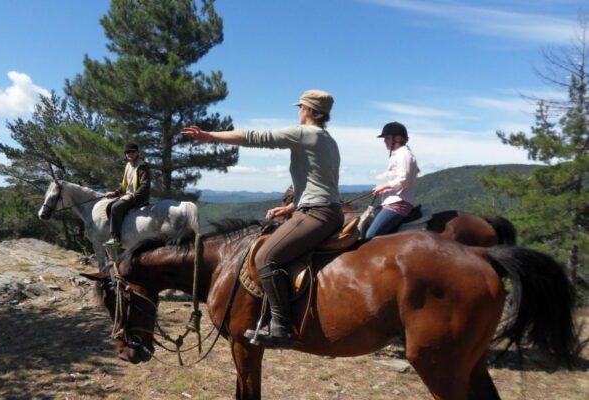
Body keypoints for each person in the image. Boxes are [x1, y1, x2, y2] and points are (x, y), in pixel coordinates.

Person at [182, 90, 343, 348]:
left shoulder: (305, 133)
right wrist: (291, 206)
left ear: (310, 111)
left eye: (301, 107)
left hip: (316, 212)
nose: (299, 112)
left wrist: (210, 136)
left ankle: (280, 326)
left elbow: (256, 138)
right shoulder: (328, 139)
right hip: (323, 209)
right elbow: (321, 182)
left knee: (265, 258)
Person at [365, 122, 419, 239]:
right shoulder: (399, 154)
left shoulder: (404, 154)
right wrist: (383, 188)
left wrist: (383, 186)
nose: (385, 141)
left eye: (388, 137)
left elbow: (403, 180)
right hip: (392, 202)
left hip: (398, 204)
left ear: (399, 138)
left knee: (371, 235)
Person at [104, 143, 151, 246]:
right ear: (125, 154)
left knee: (116, 207)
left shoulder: (142, 167)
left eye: (132, 151)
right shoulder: (128, 166)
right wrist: (115, 192)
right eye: (127, 152)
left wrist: (132, 196)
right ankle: (121, 230)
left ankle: (116, 239)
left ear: (137, 153)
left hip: (139, 197)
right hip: (129, 195)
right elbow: (126, 185)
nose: (130, 154)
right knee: (110, 206)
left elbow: (145, 185)